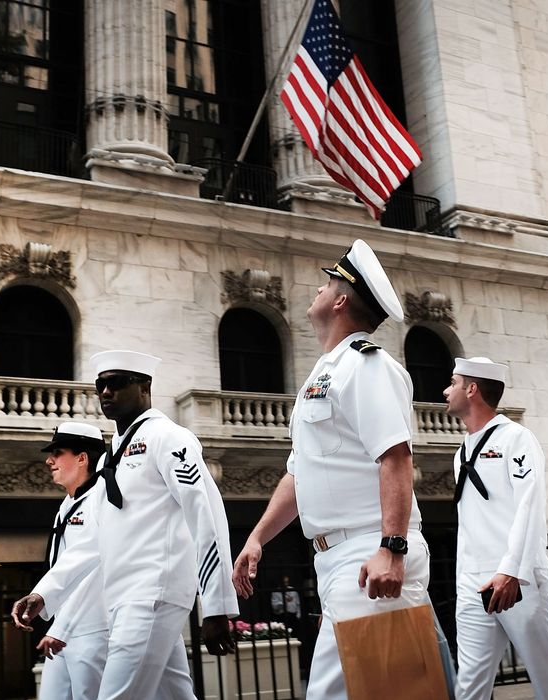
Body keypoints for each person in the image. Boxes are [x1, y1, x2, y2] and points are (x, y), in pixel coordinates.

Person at [232, 239, 431, 700]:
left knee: (356, 692)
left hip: (367, 552)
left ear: (340, 300)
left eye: (327, 283)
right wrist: (258, 537)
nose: (317, 291)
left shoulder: (367, 366)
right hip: (338, 559)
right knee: (386, 693)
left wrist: (391, 548)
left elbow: (396, 457)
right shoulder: (326, 372)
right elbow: (300, 473)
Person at [12, 350, 238, 700]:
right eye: (100, 385)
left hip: (151, 595)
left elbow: (205, 517)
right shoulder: (114, 455)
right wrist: (45, 591)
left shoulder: (169, 438)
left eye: (116, 384)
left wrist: (217, 604)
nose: (105, 393)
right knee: (176, 695)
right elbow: (93, 541)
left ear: (145, 386)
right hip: (127, 599)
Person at [444, 356, 548, 700]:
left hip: (516, 578)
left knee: (547, 676)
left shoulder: (517, 438)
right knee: (469, 683)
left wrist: (511, 571)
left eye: (453, 383)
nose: (445, 390)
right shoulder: (461, 451)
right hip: (472, 581)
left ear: (472, 389)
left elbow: (529, 509)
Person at [38, 422, 108, 700]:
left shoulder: (101, 502)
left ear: (82, 458)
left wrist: (62, 627)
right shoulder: (68, 505)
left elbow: (97, 570)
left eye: (58, 452)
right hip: (64, 631)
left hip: (94, 630)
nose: (49, 460)